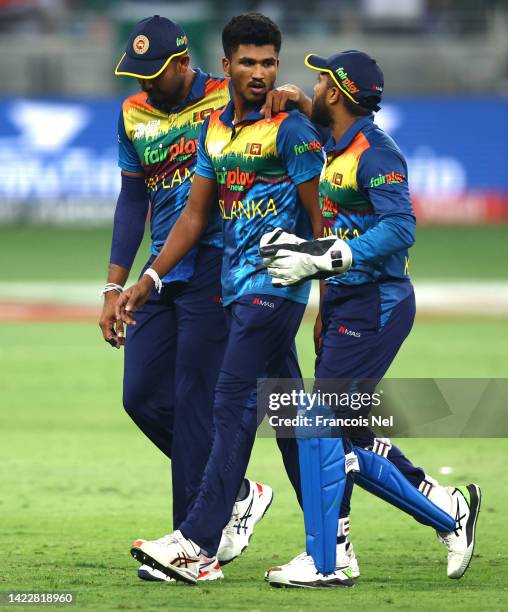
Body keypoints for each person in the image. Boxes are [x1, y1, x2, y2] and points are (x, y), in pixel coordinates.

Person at [115, 13, 356, 586]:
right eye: (248, 62)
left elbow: (322, 209)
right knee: (290, 414)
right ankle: (333, 537)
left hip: (266, 285)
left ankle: (196, 544)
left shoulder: (280, 119)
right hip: (224, 283)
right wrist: (141, 279)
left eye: (267, 63)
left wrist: (325, 301)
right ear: (227, 64)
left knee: (222, 406)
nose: (258, 72)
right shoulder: (210, 129)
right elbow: (187, 212)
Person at [262, 50, 481, 587]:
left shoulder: (377, 155)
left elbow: (402, 227)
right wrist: (325, 298)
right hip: (345, 303)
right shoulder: (336, 139)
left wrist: (336, 259)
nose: (312, 86)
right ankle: (446, 505)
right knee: (349, 433)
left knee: (318, 425)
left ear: (336, 92)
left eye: (319, 81)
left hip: (376, 305)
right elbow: (320, 128)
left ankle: (330, 559)